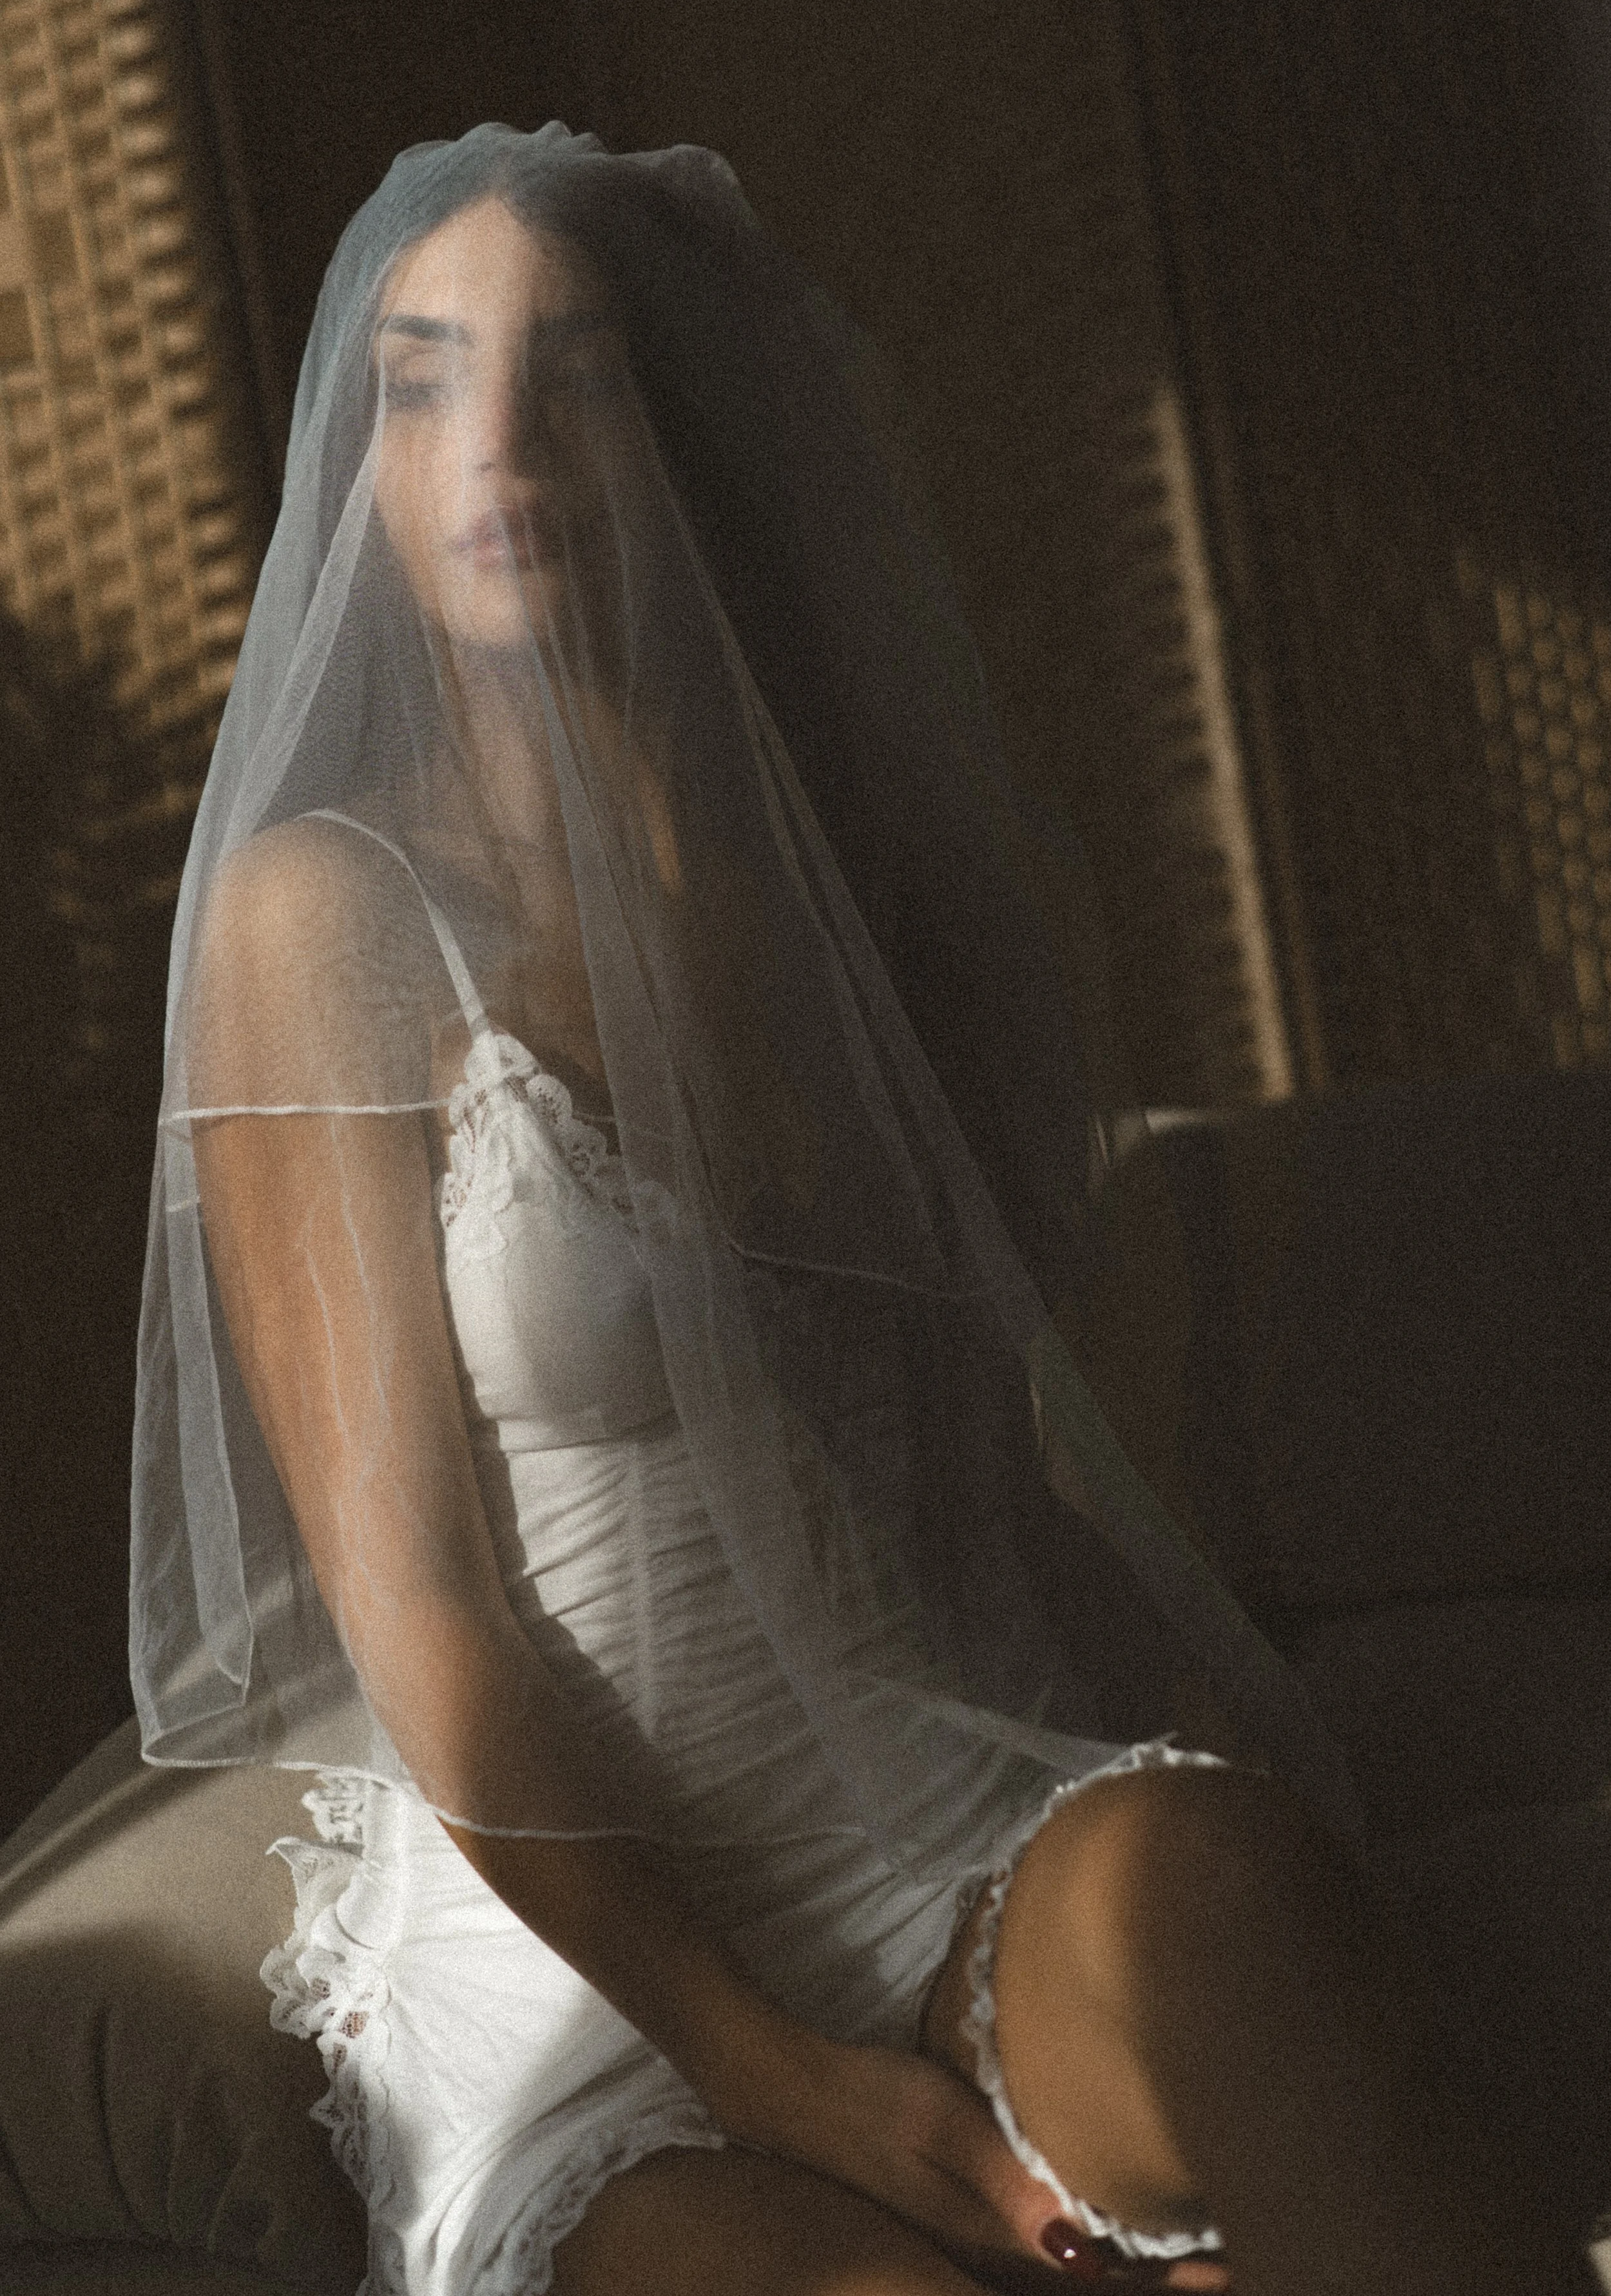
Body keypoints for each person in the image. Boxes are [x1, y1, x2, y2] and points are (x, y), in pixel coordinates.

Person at [129, 124, 1523, 2296]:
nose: (493, 441)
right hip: (589, 1970)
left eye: (568, 373)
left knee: (1224, 1887)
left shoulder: (839, 888)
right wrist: (776, 2071)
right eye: (420, 381)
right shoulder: (326, 916)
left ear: (686, 427)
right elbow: (416, 1614)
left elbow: (981, 1453)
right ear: (369, 465)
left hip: (926, 1819)